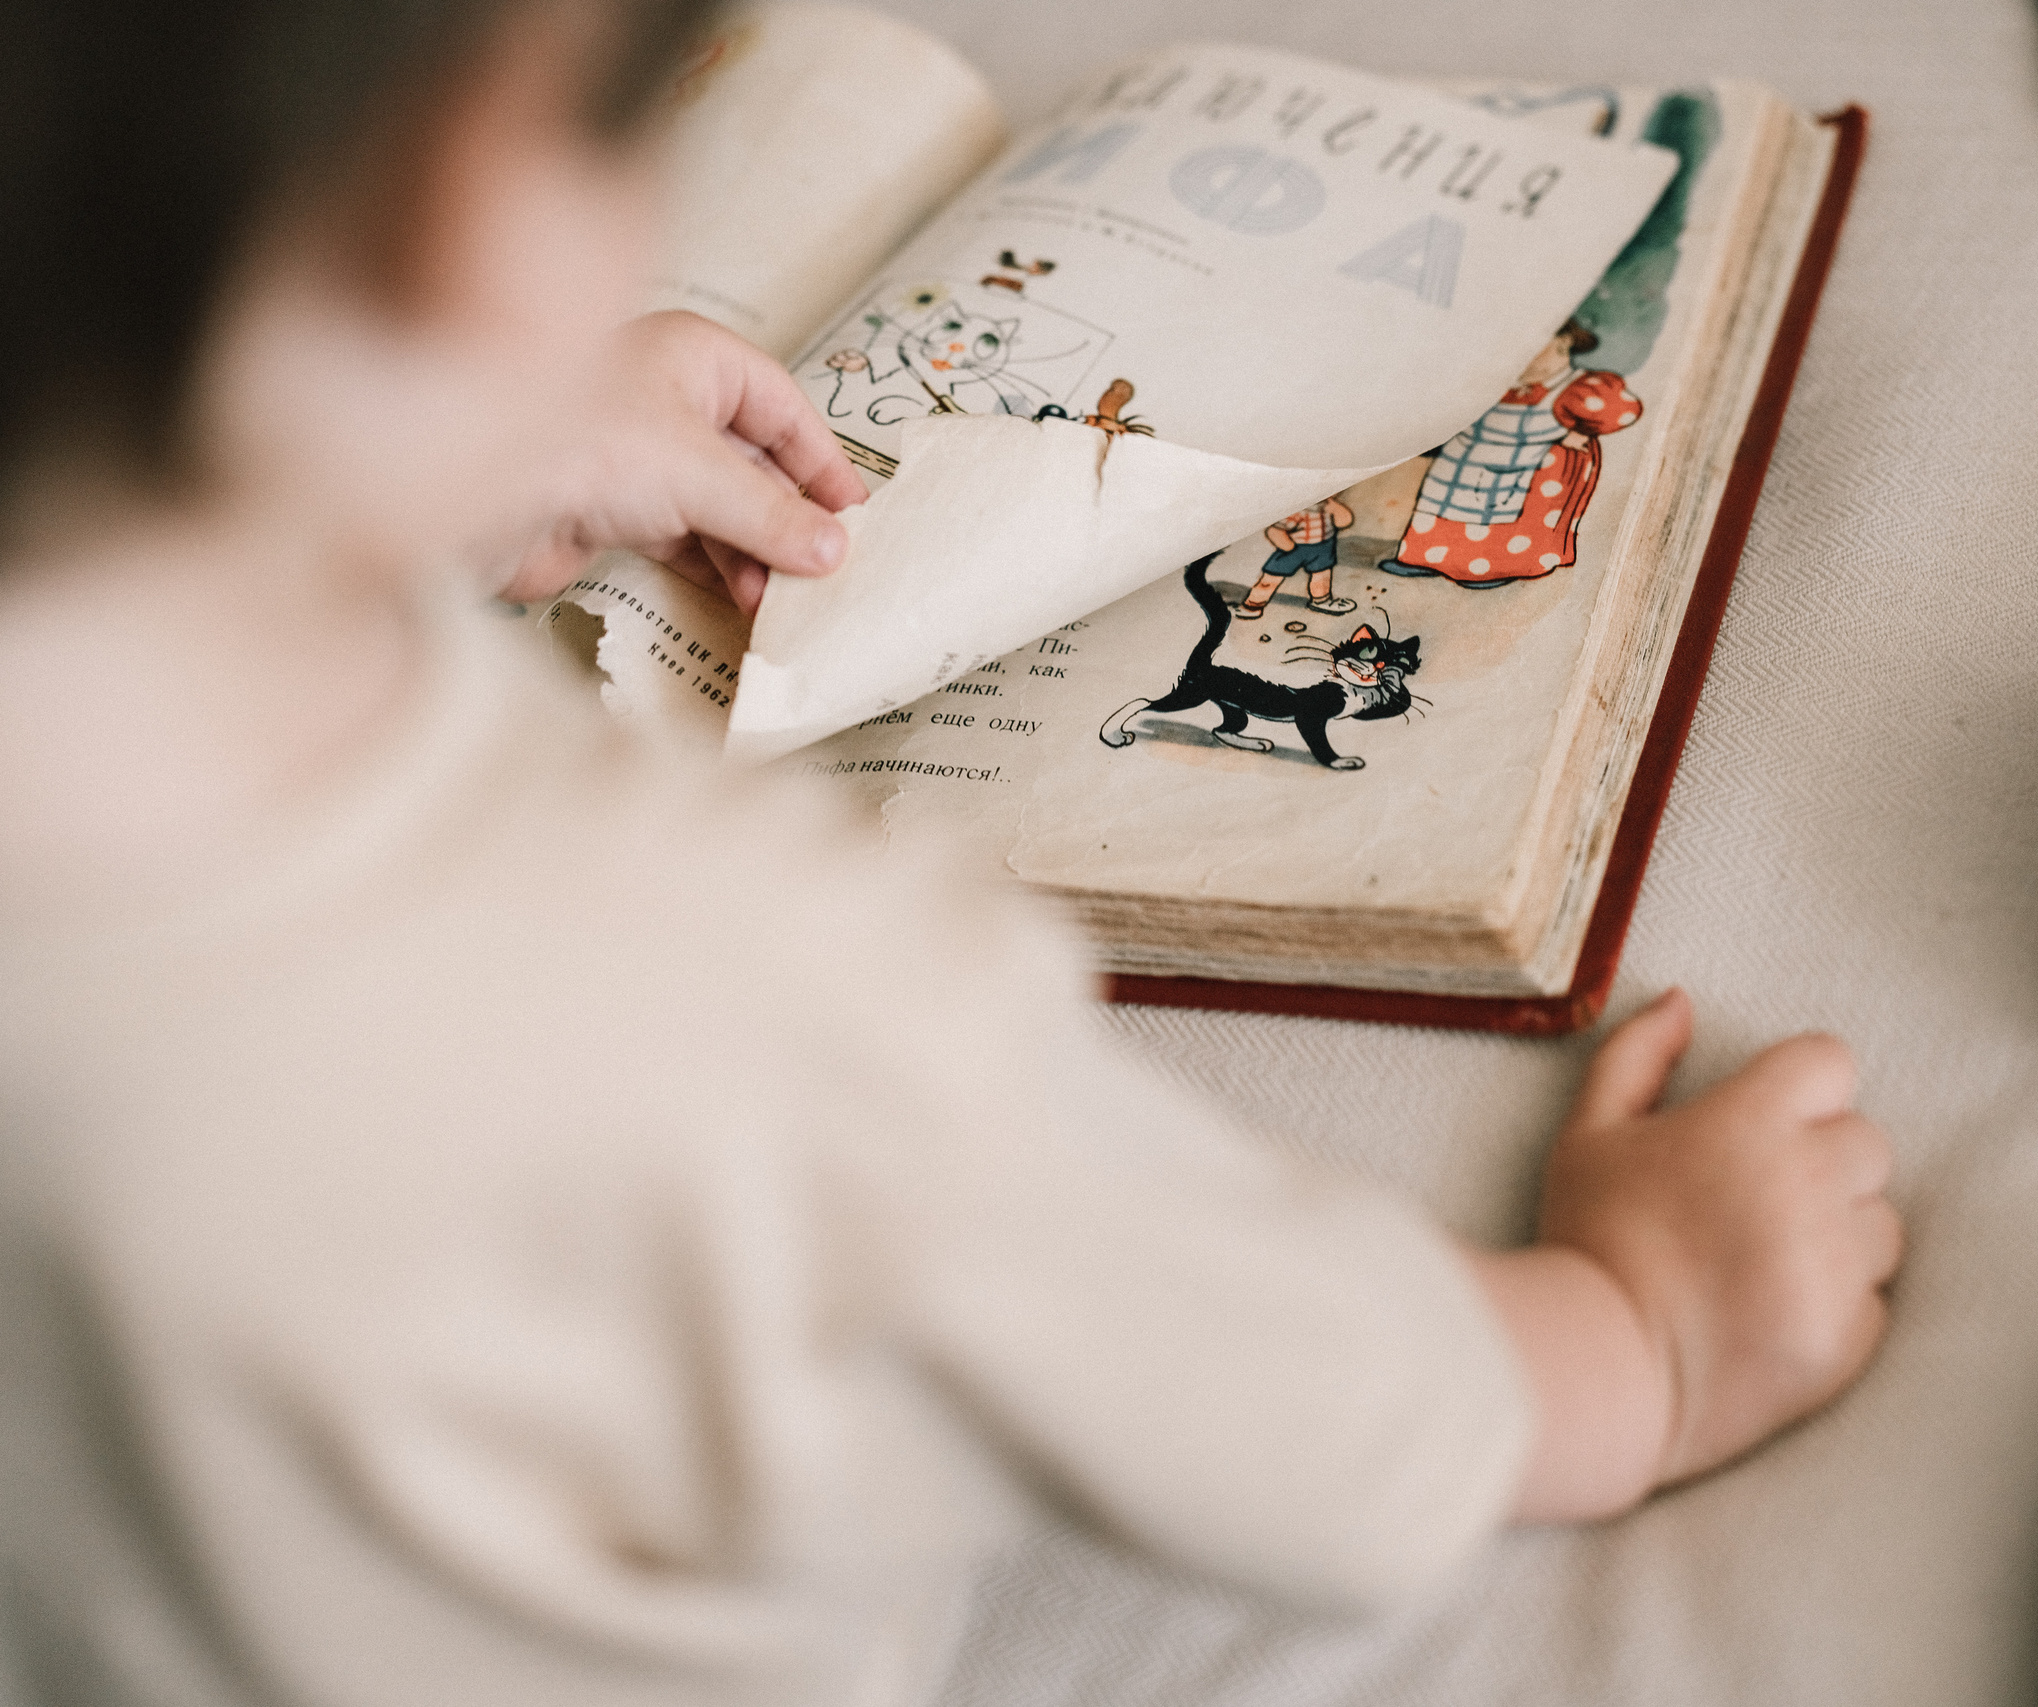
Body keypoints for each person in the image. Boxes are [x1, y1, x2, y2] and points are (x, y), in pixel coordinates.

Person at [0, 3, 1903, 1703]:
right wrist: (1634, 1333)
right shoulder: (759, 999)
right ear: (461, 224)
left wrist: (426, 431)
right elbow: (1292, 1396)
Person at [1380, 318, 1639, 586]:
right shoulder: (1500, 382)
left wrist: (1581, 431)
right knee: (1442, 497)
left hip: (1525, 463)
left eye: (1531, 348)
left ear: (1563, 342)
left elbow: (1621, 410)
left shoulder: (1576, 388)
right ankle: (1426, 557)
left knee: (1500, 513)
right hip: (1468, 458)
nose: (1520, 357)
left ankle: (1491, 567)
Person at [1237, 493, 1359, 618]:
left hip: (1323, 546)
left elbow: (1344, 521)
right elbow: (1275, 530)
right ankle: (1252, 605)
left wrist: (1333, 505)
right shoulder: (1297, 512)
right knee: (1271, 578)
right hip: (1295, 549)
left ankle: (1321, 600)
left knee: (1321, 576)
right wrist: (1287, 545)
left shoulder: (1328, 505)